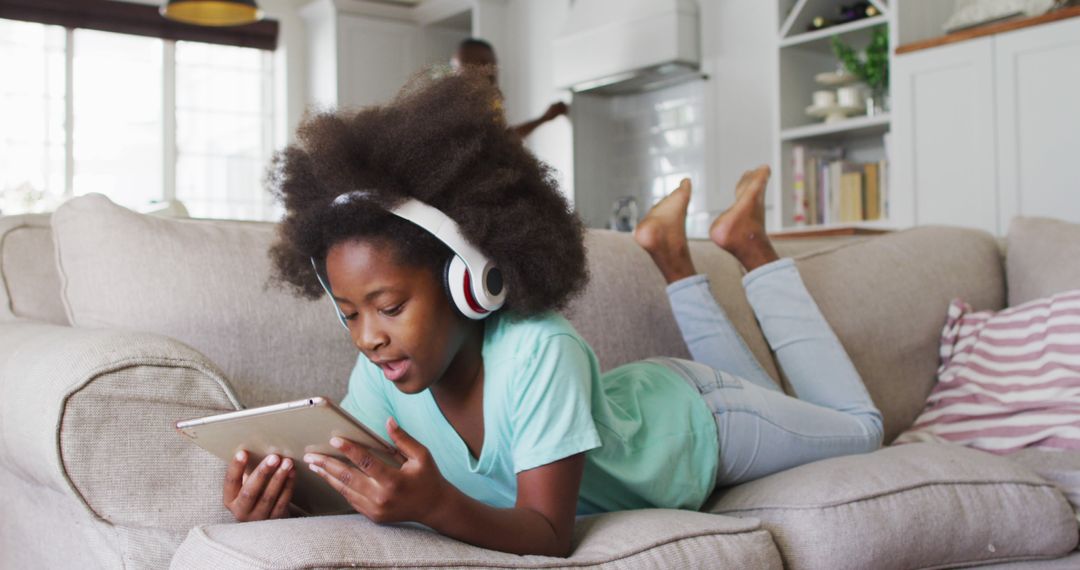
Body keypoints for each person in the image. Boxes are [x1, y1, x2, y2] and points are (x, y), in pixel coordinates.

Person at [219, 71, 883, 557]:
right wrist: (280, 502)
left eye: (389, 307)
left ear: (468, 279)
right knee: (785, 398)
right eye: (350, 315)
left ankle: (751, 249)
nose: (369, 337)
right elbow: (355, 494)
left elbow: (548, 535)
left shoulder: (539, 348)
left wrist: (435, 505)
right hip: (647, 406)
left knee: (866, 431)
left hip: (701, 423)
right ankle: (674, 257)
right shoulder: (379, 383)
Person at [451, 37, 568, 139]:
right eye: (483, 63)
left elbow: (502, 140)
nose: (492, 71)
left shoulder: (487, 104)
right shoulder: (456, 110)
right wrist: (543, 119)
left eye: (493, 64)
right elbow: (503, 141)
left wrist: (544, 118)